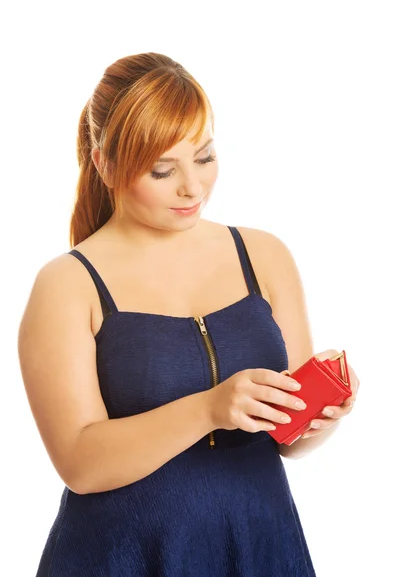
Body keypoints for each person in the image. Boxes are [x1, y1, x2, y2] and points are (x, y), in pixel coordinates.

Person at [18, 52, 358, 576]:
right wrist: (208, 409)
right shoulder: (67, 284)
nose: (193, 188)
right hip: (120, 557)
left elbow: (286, 439)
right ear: (106, 164)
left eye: (204, 157)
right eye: (162, 170)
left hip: (259, 545)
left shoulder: (264, 255)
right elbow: (79, 463)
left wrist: (324, 413)